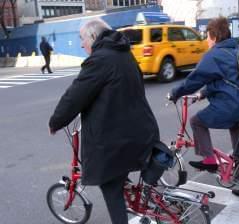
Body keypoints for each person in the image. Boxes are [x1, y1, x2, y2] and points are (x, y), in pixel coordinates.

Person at [48, 19, 160, 224]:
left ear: (92, 37)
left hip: (119, 140)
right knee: (121, 175)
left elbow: (75, 95)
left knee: (110, 187)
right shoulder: (124, 53)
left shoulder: (100, 60)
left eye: (82, 39)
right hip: (142, 131)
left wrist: (56, 121)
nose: (81, 44)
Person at [168, 17, 239, 176]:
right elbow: (225, 81)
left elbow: (195, 79)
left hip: (233, 106)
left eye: (207, 37)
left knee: (196, 121)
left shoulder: (214, 55)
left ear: (215, 37)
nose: (206, 41)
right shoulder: (237, 52)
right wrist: (202, 94)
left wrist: (175, 93)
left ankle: (209, 159)